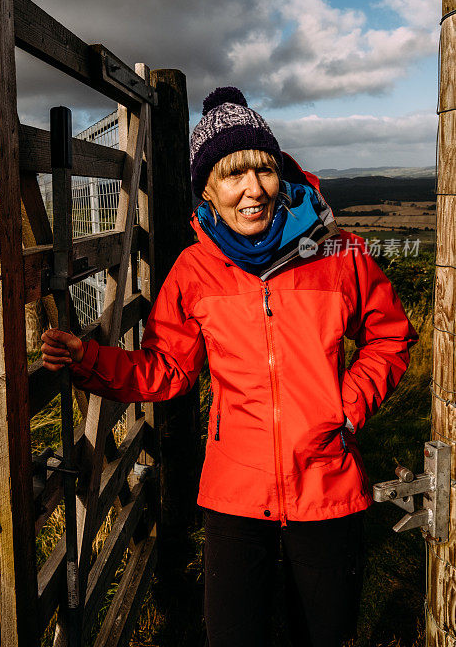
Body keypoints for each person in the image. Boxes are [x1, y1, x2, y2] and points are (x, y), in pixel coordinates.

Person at [41, 86, 418, 647]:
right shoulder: (195, 270)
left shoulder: (339, 253)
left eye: (262, 171)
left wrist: (347, 406)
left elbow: (390, 338)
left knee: (324, 634)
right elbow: (165, 368)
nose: (252, 191)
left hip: (326, 481)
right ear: (208, 192)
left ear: (280, 174)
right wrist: (89, 360)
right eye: (231, 176)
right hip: (235, 490)